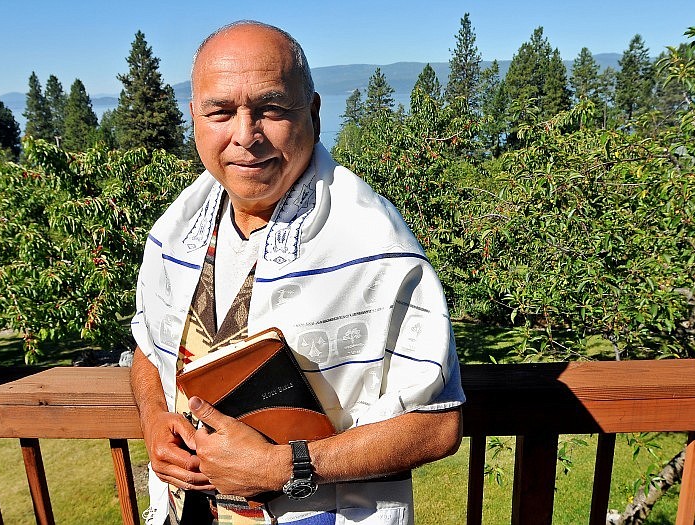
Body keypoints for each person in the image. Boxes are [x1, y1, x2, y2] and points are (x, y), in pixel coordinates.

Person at [130, 20, 465, 525]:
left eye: (271, 109)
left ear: (312, 112)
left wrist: (281, 467)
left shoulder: (375, 245)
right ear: (194, 117)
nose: (246, 136)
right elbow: (147, 348)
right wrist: (155, 419)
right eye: (220, 112)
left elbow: (437, 425)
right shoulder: (176, 230)